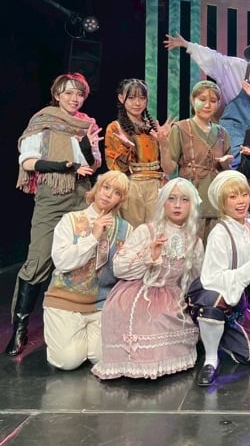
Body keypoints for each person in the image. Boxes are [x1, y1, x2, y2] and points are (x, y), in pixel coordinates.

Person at [6, 72, 102, 357]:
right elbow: (28, 162)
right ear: (57, 94)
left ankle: (79, 323)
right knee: (39, 259)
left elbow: (94, 163)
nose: (74, 99)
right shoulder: (43, 121)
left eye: (80, 94)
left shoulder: (87, 124)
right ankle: (20, 328)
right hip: (53, 195)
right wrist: (64, 165)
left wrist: (86, 147)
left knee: (83, 259)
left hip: (82, 194)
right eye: (68, 93)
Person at [91, 178, 204, 380]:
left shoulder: (195, 242)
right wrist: (148, 259)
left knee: (173, 320)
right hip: (138, 294)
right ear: (163, 203)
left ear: (192, 205)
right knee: (152, 319)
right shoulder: (147, 231)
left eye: (184, 200)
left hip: (173, 298)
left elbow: (195, 281)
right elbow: (119, 267)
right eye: (172, 199)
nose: (177, 205)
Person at [186, 170, 250, 387]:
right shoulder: (219, 233)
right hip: (212, 297)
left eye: (243, 194)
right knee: (213, 302)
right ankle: (210, 359)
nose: (241, 201)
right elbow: (212, 279)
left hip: (237, 301)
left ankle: (219, 334)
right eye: (233, 197)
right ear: (222, 203)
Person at [43, 170, 132, 370]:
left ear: (121, 199)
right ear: (97, 188)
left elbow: (124, 271)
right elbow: (62, 262)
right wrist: (93, 237)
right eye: (106, 187)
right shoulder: (70, 220)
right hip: (65, 301)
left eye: (116, 192)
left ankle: (84, 338)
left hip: (101, 304)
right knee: (68, 361)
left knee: (102, 358)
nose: (108, 195)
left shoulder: (126, 229)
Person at [164, 33, 250, 168]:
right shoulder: (237, 66)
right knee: (234, 159)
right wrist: (186, 45)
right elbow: (214, 58)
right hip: (235, 123)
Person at [161, 80, 233, 244]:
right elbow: (169, 169)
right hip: (191, 200)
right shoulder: (180, 129)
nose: (207, 105)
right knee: (190, 249)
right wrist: (163, 147)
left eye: (213, 101)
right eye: (202, 99)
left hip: (216, 203)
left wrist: (225, 164)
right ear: (193, 101)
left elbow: (228, 174)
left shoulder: (222, 134)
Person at [104, 78, 173, 227]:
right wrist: (127, 149)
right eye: (131, 98)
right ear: (121, 98)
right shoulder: (115, 128)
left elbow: (169, 169)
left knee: (157, 232)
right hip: (132, 188)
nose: (137, 103)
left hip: (157, 187)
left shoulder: (154, 129)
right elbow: (115, 170)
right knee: (134, 233)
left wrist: (164, 144)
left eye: (142, 98)